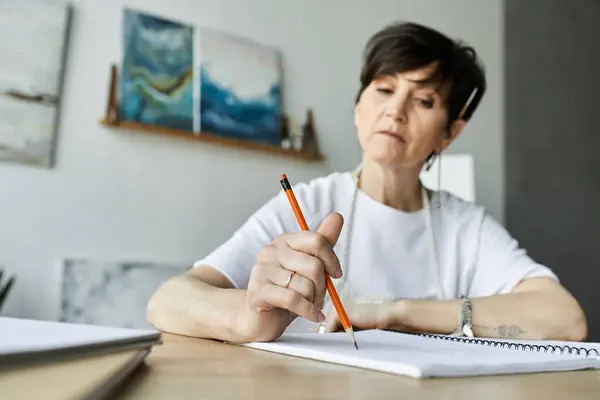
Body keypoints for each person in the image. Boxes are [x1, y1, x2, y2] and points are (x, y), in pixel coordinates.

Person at [147, 21, 587, 344]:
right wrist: (245, 315)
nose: (395, 111)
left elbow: (565, 320)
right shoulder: (309, 203)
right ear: (359, 105)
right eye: (383, 89)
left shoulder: (465, 226)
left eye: (424, 99)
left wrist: (392, 312)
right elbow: (168, 300)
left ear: (449, 133)